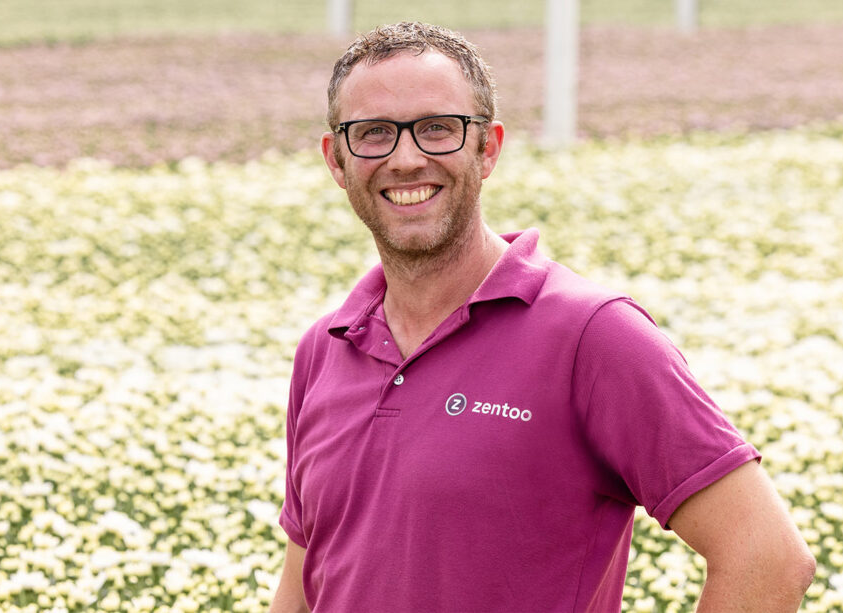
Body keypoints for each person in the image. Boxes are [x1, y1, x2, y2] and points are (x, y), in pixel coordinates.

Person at [271, 22, 815, 613]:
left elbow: (767, 558)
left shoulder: (594, 336)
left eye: (437, 128)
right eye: (373, 133)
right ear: (336, 160)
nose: (406, 158)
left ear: (488, 148)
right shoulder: (323, 348)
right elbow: (304, 582)